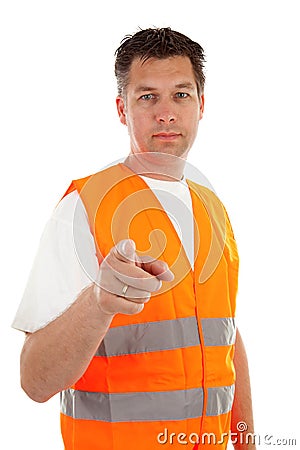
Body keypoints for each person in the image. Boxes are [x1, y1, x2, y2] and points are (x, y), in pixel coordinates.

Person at [13, 27, 256, 450]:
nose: (166, 113)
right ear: (122, 109)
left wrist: (246, 440)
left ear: (202, 105)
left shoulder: (211, 207)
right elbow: (35, 381)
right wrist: (99, 301)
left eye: (181, 94)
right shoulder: (85, 207)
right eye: (147, 96)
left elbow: (226, 337)